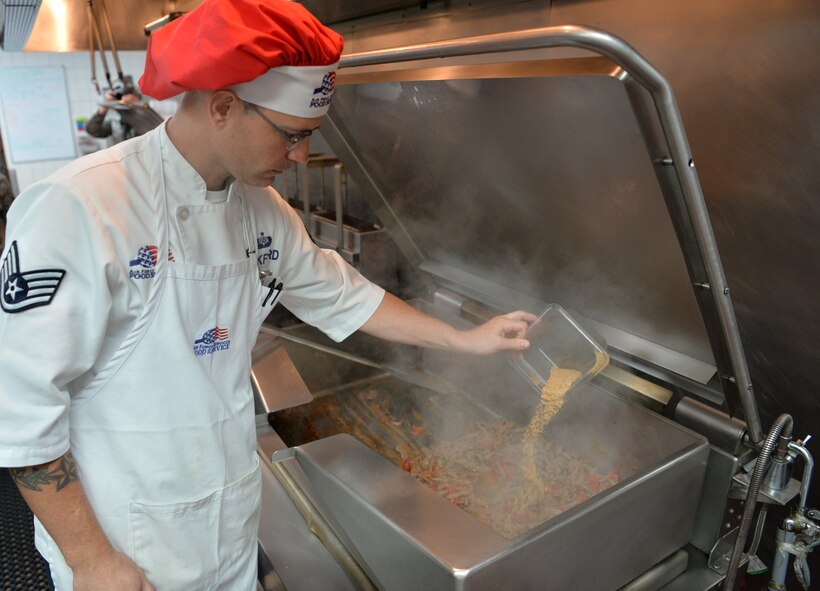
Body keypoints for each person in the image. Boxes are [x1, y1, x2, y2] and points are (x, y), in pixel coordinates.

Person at [0, 1, 535, 590]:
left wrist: (464, 338)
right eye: (293, 137)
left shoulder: (261, 210)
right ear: (225, 107)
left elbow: (343, 295)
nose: (302, 156)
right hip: (125, 542)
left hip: (227, 523)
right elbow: (20, 414)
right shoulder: (81, 207)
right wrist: (93, 561)